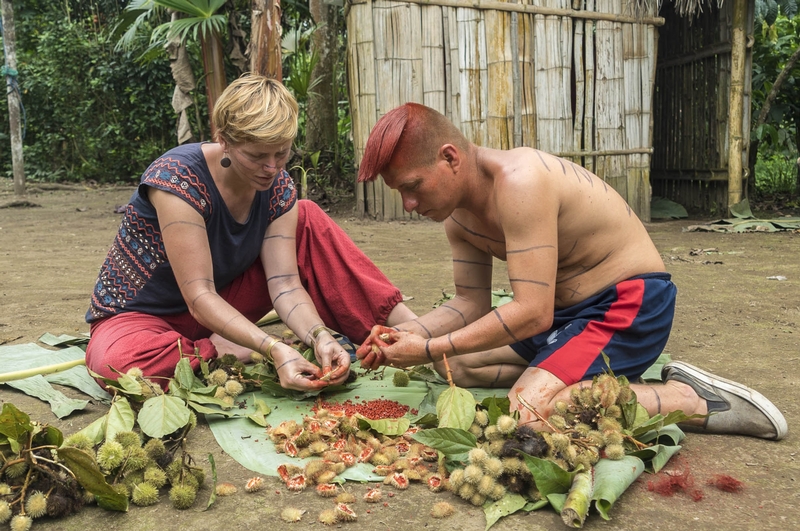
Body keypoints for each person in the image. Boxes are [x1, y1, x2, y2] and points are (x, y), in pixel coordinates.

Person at [355, 102, 787, 440]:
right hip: (566, 318)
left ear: (450, 158)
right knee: (460, 367)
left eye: (412, 186)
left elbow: (531, 313)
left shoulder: (520, 182)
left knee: (531, 413)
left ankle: (692, 398)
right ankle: (581, 376)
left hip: (627, 305)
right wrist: (410, 336)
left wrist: (430, 348)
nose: (409, 205)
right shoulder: (457, 218)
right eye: (400, 193)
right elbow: (469, 303)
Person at [85, 75, 416, 392]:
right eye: (257, 156)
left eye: (281, 153)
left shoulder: (278, 188)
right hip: (144, 317)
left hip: (222, 304)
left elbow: (285, 284)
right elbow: (199, 297)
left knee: (307, 216)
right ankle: (220, 349)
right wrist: (271, 347)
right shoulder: (177, 180)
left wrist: (319, 337)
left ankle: (407, 332)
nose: (271, 168)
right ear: (224, 140)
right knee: (119, 367)